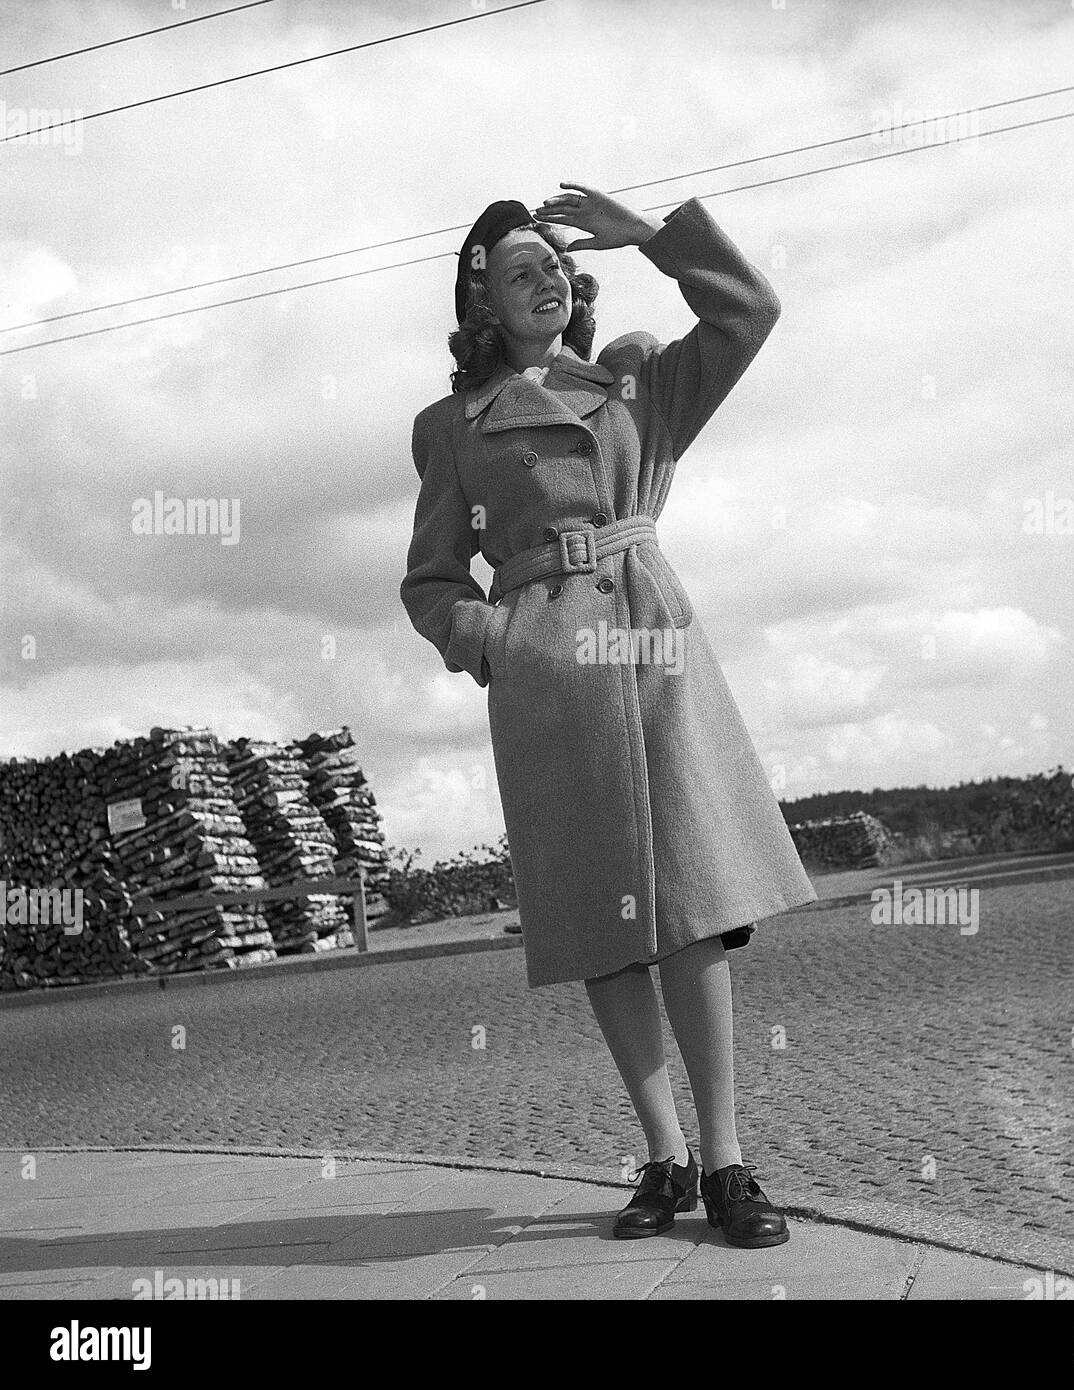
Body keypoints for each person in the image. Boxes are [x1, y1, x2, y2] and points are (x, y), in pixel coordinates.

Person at [401, 182, 818, 1247]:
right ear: (481, 301)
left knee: (687, 902)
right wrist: (497, 643)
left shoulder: (633, 375)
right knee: (606, 928)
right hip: (552, 684)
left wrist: (654, 239)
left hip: (649, 647)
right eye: (517, 267)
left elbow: (748, 312)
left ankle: (726, 1163)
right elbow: (430, 579)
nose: (544, 274)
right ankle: (663, 1156)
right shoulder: (450, 428)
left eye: (554, 260)